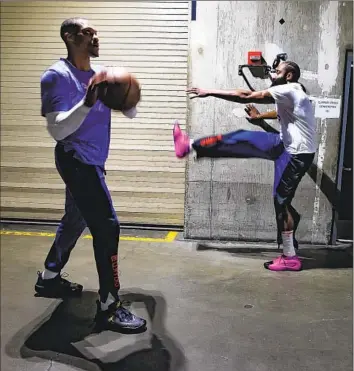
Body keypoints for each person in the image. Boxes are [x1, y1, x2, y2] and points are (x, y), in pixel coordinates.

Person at [35, 17, 146, 331]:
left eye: (96, 32)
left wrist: (126, 97)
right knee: (107, 226)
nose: (95, 37)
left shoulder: (100, 76)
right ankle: (109, 306)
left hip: (91, 161)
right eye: (87, 33)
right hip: (75, 159)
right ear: (70, 37)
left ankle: (49, 278)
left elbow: (128, 109)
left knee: (75, 219)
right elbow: (58, 130)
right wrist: (87, 102)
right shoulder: (56, 77)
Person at [173, 61, 317, 271]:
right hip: (283, 143)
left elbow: (245, 96)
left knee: (281, 202)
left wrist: (209, 92)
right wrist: (259, 117)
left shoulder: (290, 90)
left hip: (297, 154)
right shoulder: (289, 93)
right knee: (244, 138)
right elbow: (279, 114)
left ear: (289, 75)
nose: (272, 73)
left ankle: (290, 257)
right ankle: (191, 145)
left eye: (277, 71)